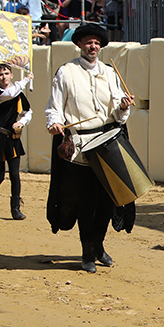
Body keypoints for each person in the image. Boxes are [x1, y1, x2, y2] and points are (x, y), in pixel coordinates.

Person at [45, 23, 136, 273]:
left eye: (96, 42)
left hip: (108, 142)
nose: (92, 46)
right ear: (79, 45)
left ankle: (98, 245)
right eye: (88, 42)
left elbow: (118, 111)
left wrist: (124, 106)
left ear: (100, 46)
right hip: (80, 145)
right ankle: (87, 251)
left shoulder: (109, 72)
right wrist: (54, 123)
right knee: (87, 201)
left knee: (107, 200)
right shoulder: (66, 72)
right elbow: (54, 106)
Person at [0, 62, 33, 219]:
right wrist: (26, 80)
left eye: (6, 73)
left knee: (15, 175)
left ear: (11, 75)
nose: (4, 77)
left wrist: (21, 122)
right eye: (0, 74)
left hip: (12, 138)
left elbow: (28, 112)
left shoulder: (18, 93)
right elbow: (9, 95)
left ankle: (15, 209)